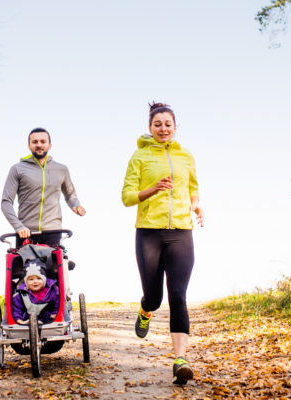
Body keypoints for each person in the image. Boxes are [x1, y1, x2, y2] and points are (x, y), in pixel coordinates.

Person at [121, 102, 204, 385]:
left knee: (178, 295)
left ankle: (180, 360)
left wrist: (196, 205)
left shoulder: (185, 156)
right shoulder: (139, 157)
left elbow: (193, 187)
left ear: (175, 127)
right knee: (155, 298)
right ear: (150, 128)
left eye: (168, 124)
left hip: (181, 231)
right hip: (149, 233)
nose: (163, 129)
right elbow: (127, 197)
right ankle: (145, 310)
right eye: (158, 124)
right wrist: (153, 189)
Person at [2, 127, 86, 248]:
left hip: (52, 231)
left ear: (50, 145)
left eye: (43, 141)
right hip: (25, 233)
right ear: (29, 146)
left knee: (57, 266)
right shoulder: (17, 169)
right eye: (35, 142)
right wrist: (19, 226)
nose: (39, 145)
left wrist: (76, 205)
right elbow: (6, 202)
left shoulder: (61, 169)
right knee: (25, 267)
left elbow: (70, 195)